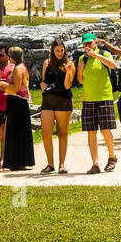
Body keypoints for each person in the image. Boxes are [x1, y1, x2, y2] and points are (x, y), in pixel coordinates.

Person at [77, 33, 120, 174]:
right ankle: (95, 163)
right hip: (88, 99)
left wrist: (96, 56)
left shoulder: (104, 54)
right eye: (85, 44)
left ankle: (112, 157)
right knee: (91, 132)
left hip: (104, 97)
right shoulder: (82, 59)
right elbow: (81, 80)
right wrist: (80, 69)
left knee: (105, 130)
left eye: (89, 43)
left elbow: (113, 65)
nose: (87, 46)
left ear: (95, 42)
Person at [38, 39, 75, 173]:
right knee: (46, 132)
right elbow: (43, 80)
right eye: (57, 50)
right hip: (47, 100)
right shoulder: (46, 63)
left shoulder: (70, 64)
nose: (60, 53)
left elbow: (67, 86)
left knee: (62, 133)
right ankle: (50, 164)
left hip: (63, 100)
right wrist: (42, 85)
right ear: (52, 51)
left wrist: (68, 72)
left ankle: (62, 164)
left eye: (61, 50)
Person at [1, 46, 35, 171]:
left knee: (15, 130)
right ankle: (20, 160)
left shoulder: (17, 69)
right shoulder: (23, 67)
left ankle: (16, 161)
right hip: (19, 102)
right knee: (20, 131)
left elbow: (15, 87)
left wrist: (3, 84)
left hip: (16, 102)